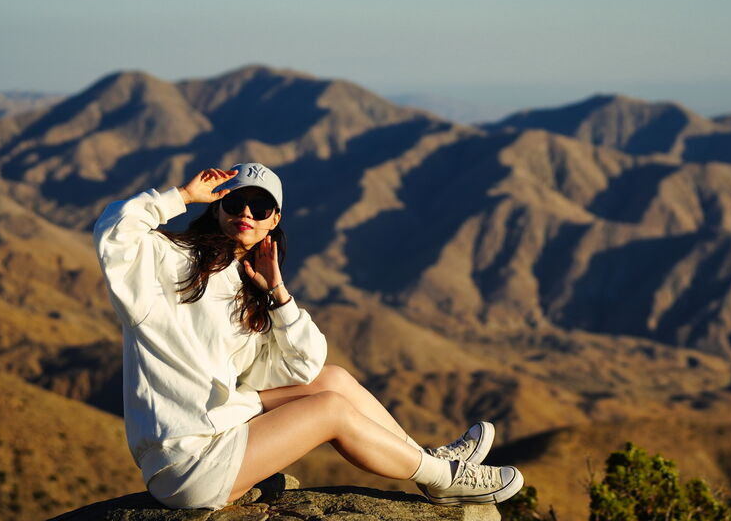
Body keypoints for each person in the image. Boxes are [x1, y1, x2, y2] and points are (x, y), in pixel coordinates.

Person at [92, 161, 525, 510]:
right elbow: (114, 232)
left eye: (260, 207)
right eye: (235, 202)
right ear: (218, 205)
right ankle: (444, 479)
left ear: (274, 220)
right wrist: (182, 196)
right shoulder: (168, 262)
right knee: (330, 410)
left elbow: (305, 367)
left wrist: (278, 293)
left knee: (332, 380)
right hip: (186, 461)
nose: (246, 214)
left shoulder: (250, 288)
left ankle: (427, 461)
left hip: (224, 428)